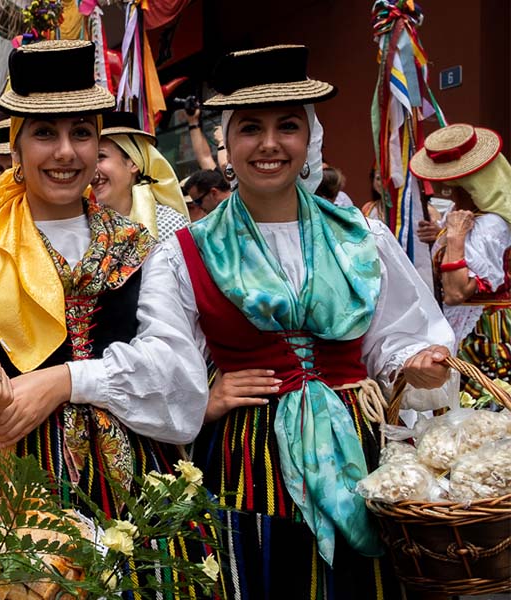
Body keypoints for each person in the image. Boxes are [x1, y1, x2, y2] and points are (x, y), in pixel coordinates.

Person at [169, 45, 455, 598]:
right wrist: (203, 395)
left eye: (288, 126)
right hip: (248, 450)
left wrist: (411, 361)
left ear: (309, 140)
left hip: (358, 440)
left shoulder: (359, 235)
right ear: (228, 142)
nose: (270, 143)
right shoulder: (188, 249)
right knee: (263, 568)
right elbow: (167, 350)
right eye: (251, 127)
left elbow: (396, 332)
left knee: (361, 580)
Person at [0, 39, 208, 542]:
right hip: (16, 498)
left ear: (98, 146)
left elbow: (180, 389)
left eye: (81, 133)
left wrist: (64, 381)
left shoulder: (145, 250)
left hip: (135, 492)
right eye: (45, 133)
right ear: (18, 148)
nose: (66, 151)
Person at [411, 123, 511, 399]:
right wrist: (441, 236)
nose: (445, 187)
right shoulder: (467, 214)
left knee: (482, 420)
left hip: (484, 336)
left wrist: (454, 238)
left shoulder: (490, 224)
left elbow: (457, 292)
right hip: (472, 329)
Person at [93, 110, 190, 239]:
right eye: (89, 160)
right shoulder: (85, 227)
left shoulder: (171, 224)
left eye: (101, 157)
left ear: (134, 162)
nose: (92, 170)